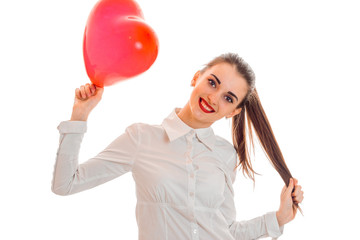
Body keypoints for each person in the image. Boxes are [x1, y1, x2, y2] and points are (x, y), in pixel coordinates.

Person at [52, 53, 304, 240]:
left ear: (234, 111)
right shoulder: (142, 138)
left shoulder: (226, 154)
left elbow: (226, 230)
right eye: (212, 83)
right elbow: (66, 184)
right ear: (197, 78)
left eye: (228, 98)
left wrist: (278, 218)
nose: (213, 98)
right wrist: (80, 115)